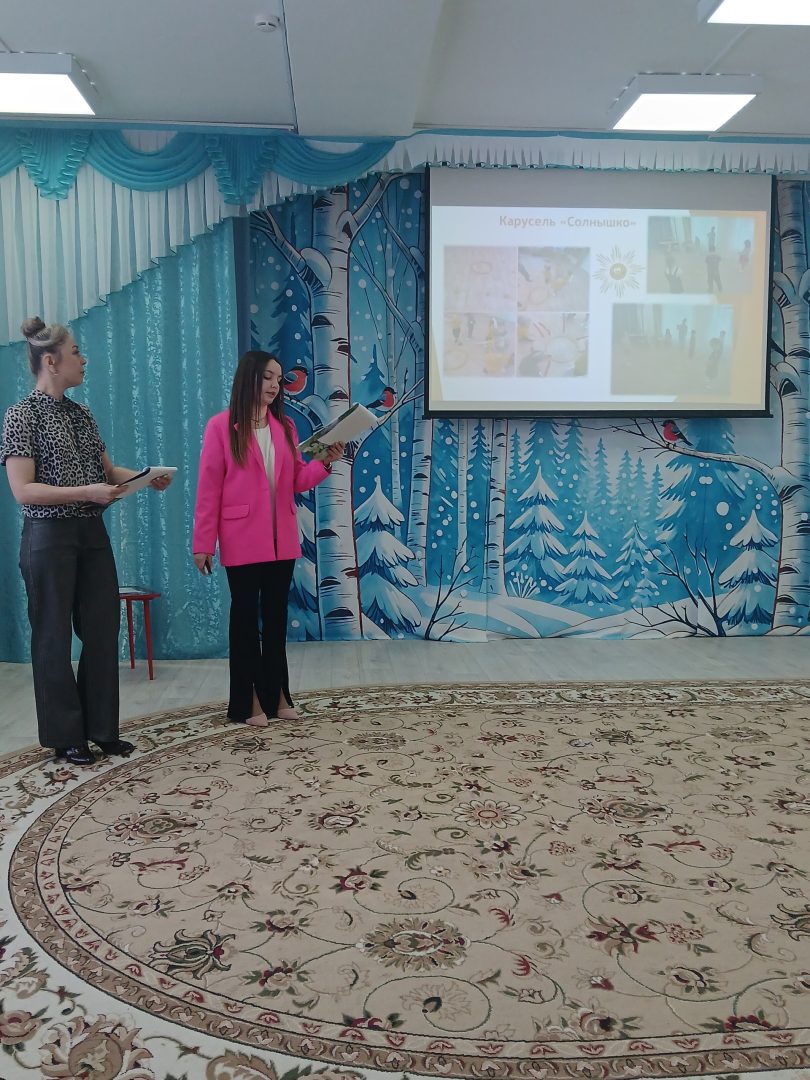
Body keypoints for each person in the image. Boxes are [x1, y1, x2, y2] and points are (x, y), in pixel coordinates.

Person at [1, 317, 172, 766]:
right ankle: (65, 737)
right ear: (51, 361)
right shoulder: (21, 415)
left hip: (91, 534)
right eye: (76, 352)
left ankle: (101, 730)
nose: (83, 359)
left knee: (101, 629)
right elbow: (23, 490)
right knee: (53, 636)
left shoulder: (82, 415)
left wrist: (144, 477)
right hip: (48, 537)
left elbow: (108, 473)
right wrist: (86, 493)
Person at [192, 350, 344, 727]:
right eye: (268, 378)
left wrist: (325, 462)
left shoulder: (285, 427)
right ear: (249, 379)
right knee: (245, 621)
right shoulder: (220, 427)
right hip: (241, 539)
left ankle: (278, 695)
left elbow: (297, 480)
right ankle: (248, 702)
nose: (276, 385)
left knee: (276, 621)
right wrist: (202, 543)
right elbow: (209, 489)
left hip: (283, 540)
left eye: (279, 379)